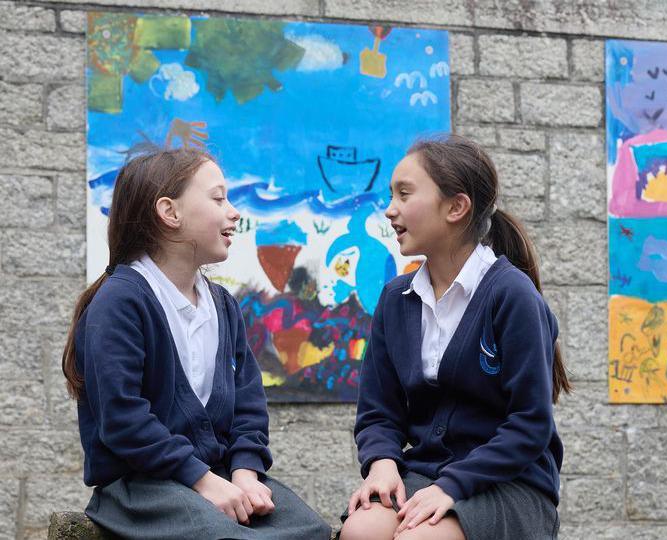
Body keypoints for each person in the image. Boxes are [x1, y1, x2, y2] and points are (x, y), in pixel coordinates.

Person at [61, 146, 330, 539]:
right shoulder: (120, 303)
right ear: (170, 213)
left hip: (219, 476)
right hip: (141, 488)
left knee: (312, 531)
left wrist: (245, 472)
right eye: (218, 198)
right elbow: (122, 420)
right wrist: (202, 480)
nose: (234, 211)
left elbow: (247, 404)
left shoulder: (224, 306)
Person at [339, 134, 571, 540]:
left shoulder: (511, 295)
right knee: (361, 532)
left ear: (456, 207)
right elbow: (379, 413)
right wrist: (382, 464)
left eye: (404, 194)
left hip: (509, 484)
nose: (390, 210)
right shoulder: (396, 299)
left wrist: (451, 486)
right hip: (425, 473)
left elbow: (530, 425)